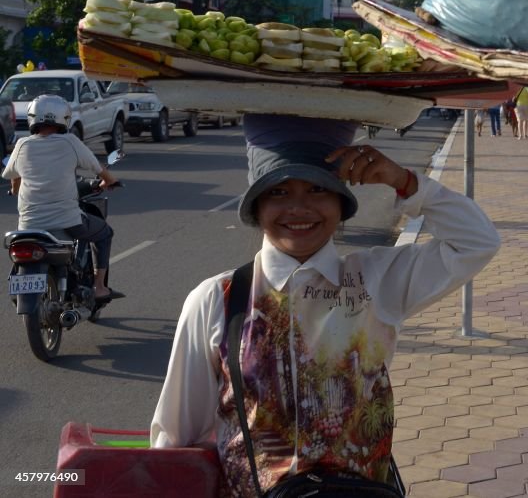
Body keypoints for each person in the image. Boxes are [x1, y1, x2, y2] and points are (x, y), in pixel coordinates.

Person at [151, 115, 500, 495]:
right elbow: (177, 435)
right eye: (279, 193)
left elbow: (476, 242)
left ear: (340, 202)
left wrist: (406, 183)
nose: (299, 209)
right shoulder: (218, 299)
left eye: (318, 190)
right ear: (256, 206)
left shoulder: (376, 281)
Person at [1, 95, 121, 302]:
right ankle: (100, 287)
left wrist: (15, 190)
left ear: (32, 118)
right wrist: (110, 181)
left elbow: (14, 179)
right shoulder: (70, 141)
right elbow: (98, 168)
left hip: (29, 225)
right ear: (64, 118)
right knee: (104, 233)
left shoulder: (22, 145)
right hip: (67, 220)